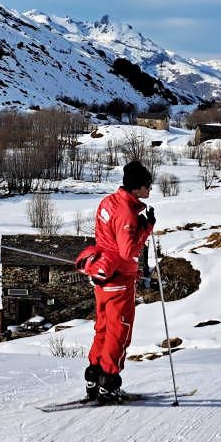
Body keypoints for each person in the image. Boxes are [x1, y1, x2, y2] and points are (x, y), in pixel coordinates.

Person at [76, 160, 156, 403]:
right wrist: (145, 228)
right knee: (118, 331)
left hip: (102, 275)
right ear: (136, 188)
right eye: (147, 186)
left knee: (102, 327)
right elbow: (128, 251)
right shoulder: (127, 212)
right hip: (119, 278)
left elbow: (107, 237)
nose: (150, 190)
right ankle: (109, 383)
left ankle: (94, 376)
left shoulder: (108, 202)